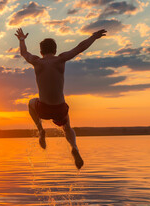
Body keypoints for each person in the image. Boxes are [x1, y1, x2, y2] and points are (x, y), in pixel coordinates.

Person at [15, 28, 107, 170]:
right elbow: (79, 48)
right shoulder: (61, 59)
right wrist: (93, 37)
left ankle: (40, 130)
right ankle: (74, 147)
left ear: (41, 51)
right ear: (55, 50)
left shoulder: (36, 61)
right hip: (60, 108)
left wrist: (22, 40)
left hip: (43, 108)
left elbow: (24, 53)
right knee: (67, 127)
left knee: (31, 102)